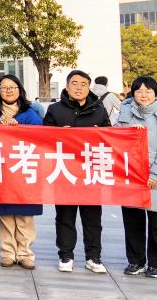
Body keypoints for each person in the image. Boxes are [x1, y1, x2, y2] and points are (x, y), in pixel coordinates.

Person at [44, 69, 110, 273]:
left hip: (91, 172)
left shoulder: (99, 110)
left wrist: (101, 134)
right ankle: (66, 255)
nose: (79, 88)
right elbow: (43, 138)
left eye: (83, 84)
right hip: (64, 171)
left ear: (89, 87)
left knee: (93, 218)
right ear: (67, 86)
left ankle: (93, 257)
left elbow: (110, 138)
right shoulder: (55, 109)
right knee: (65, 216)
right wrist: (58, 135)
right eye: (75, 83)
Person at [114, 76, 157, 279]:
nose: (143, 95)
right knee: (133, 222)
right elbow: (114, 139)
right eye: (139, 91)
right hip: (130, 176)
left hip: (155, 179)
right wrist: (127, 132)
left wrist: (156, 175)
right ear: (132, 93)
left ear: (155, 94)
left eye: (148, 91)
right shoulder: (124, 112)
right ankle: (135, 261)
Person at [0, 74, 43, 270]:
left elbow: (41, 135)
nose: (8, 91)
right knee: (6, 214)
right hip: (2, 169)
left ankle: (25, 253)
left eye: (12, 87)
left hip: (24, 169)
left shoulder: (31, 112)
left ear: (20, 90)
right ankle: (7, 252)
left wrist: (21, 129)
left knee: (25, 215)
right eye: (4, 87)